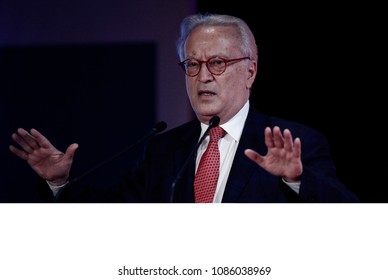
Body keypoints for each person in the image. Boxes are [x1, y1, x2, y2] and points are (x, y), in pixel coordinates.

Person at [9, 13, 359, 203]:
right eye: (192, 64)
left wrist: (295, 178)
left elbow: (350, 224)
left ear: (250, 70)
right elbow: (111, 219)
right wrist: (60, 181)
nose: (203, 76)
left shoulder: (295, 142)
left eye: (217, 63)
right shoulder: (164, 150)